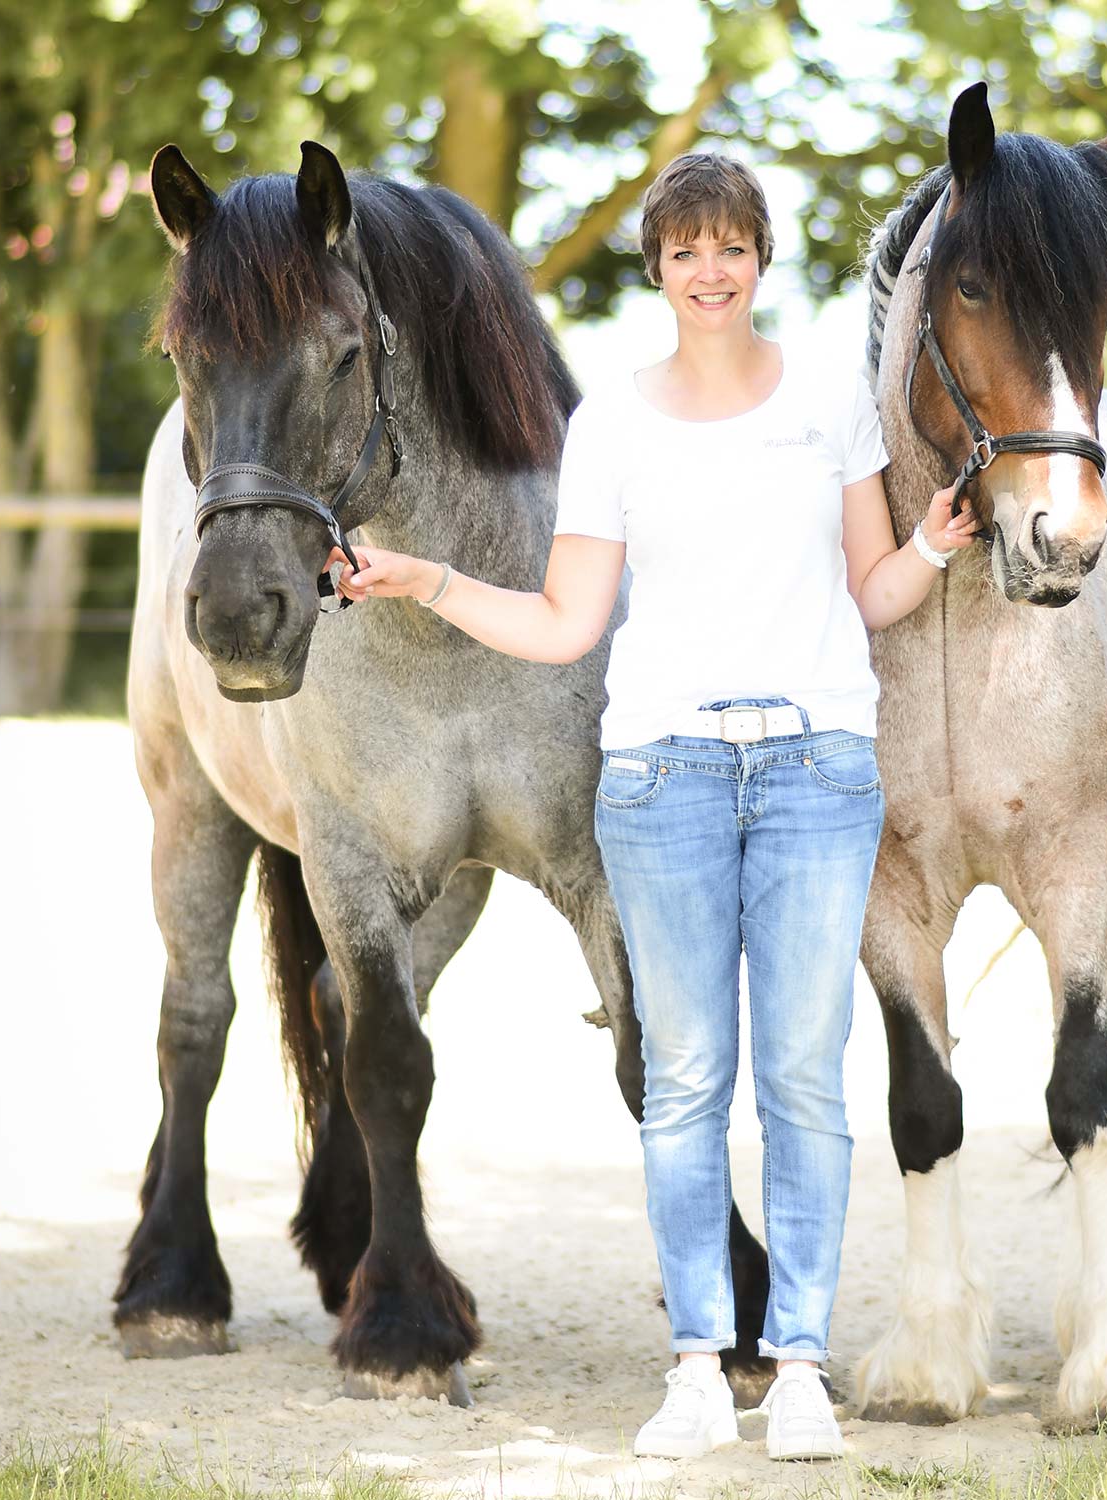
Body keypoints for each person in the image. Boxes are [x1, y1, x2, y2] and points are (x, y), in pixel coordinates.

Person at [328, 152, 976, 1461]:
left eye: (733, 246)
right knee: (683, 1085)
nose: (712, 270)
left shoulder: (831, 406)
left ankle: (793, 1364)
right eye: (687, 250)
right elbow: (568, 621)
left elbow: (868, 591)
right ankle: (696, 1363)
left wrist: (930, 550)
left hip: (814, 772)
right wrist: (426, 580)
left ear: (760, 259)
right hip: (664, 775)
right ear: (658, 268)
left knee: (802, 1084)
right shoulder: (610, 425)